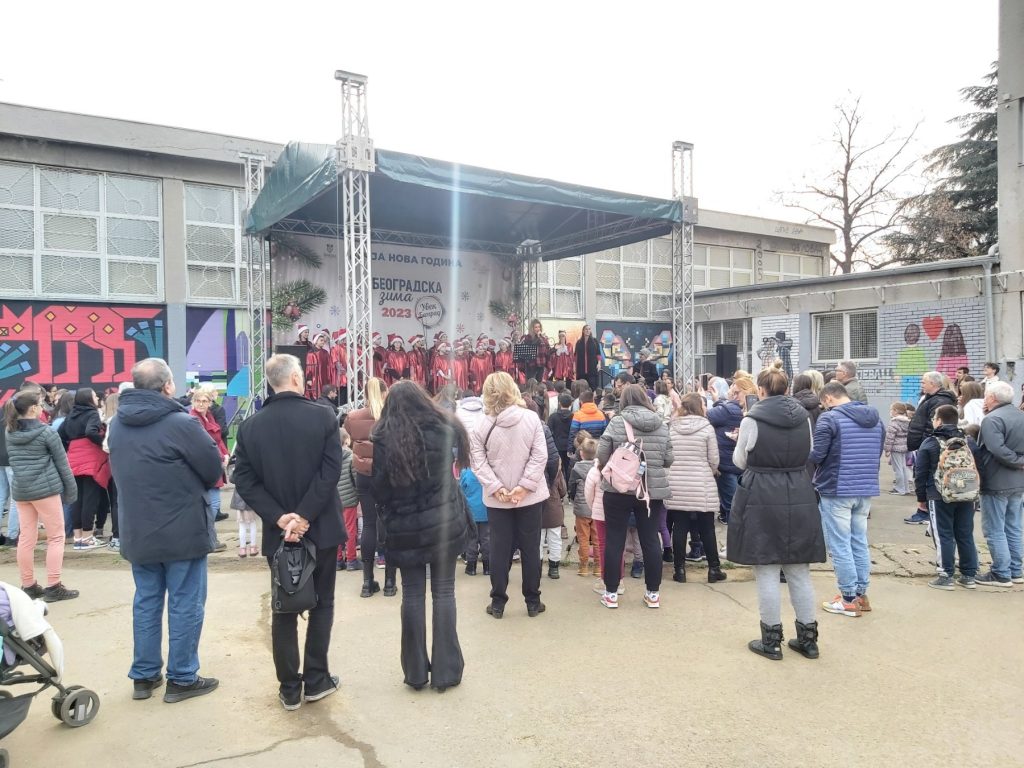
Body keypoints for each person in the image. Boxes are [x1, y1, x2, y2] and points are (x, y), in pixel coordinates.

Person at [233, 354, 345, 710]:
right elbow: (331, 472)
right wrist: (304, 516)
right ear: (296, 378)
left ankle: (289, 687)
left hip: (279, 534)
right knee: (322, 603)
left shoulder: (250, 426)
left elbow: (243, 479)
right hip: (321, 528)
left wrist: (281, 518)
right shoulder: (323, 416)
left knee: (283, 607)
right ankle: (316, 680)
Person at [109, 358, 225, 703]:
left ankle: (144, 676)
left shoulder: (118, 424)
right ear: (168, 386)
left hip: (138, 529)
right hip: (182, 530)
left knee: (146, 601)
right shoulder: (181, 423)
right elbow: (212, 470)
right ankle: (182, 677)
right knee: (185, 602)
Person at [370, 381, 469, 692]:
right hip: (443, 523)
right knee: (444, 593)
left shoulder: (383, 439)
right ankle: (446, 670)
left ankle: (415, 672)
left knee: (412, 595)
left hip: (405, 528)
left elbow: (378, 490)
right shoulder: (444, 429)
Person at [729, 362, 824, 661]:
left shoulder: (752, 419)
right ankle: (808, 640)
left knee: (767, 567)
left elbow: (740, 461)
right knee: (799, 570)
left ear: (761, 390)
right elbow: (808, 451)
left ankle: (771, 640)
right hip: (799, 489)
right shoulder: (804, 417)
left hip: (762, 493)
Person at [469, 372, 549, 619]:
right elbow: (540, 455)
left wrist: (496, 487)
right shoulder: (531, 418)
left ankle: (498, 602)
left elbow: (477, 462)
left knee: (499, 548)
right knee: (530, 548)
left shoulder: (480, 425)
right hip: (530, 497)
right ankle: (533, 601)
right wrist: (524, 486)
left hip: (498, 499)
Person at [810, 382, 885, 617]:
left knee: (840, 544)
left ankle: (848, 599)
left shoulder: (830, 419)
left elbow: (817, 455)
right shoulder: (876, 420)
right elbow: (878, 452)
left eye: (823, 403)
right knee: (859, 541)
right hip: (865, 487)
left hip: (837, 487)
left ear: (828, 399)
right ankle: (861, 595)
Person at [596, 383, 673, 610]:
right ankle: (653, 594)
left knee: (614, 539)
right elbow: (668, 459)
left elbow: (602, 452)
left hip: (618, 488)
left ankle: (611, 594)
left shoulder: (617, 422)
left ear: (624, 400)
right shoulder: (661, 424)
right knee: (650, 539)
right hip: (650, 490)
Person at [5, 389, 78, 602]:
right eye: (40, 404)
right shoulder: (47, 433)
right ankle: (54, 586)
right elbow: (63, 464)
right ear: (34, 409)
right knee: (56, 537)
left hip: (21, 491)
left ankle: (28, 585)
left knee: (26, 538)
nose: (43, 407)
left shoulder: (10, 431)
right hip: (45, 490)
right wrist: (71, 491)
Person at [912, 404, 980, 591]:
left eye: (934, 418)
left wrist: (921, 498)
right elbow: (978, 466)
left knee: (943, 534)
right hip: (967, 494)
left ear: (939, 421)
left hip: (939, 494)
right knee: (965, 533)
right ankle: (969, 575)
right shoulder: (968, 441)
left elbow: (920, 472)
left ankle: (945, 574)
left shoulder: (931, 442)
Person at [666, 393, 725, 584]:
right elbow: (714, 459)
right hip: (701, 483)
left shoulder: (672, 428)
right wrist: (710, 470)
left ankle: (679, 570)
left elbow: (668, 456)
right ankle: (714, 569)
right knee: (707, 527)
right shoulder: (706, 428)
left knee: (679, 527)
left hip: (677, 482)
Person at [346, 378, 396, 598]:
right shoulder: (391, 416)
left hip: (364, 475)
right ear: (385, 392)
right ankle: (390, 582)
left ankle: (367, 582)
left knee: (368, 524)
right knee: (388, 524)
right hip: (388, 476)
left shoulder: (353, 417)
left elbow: (350, 440)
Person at [975, 381, 1024, 587]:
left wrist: (1018, 461)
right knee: (1014, 527)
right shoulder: (1020, 415)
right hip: (1018, 481)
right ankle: (1016, 571)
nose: (984, 399)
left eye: (986, 395)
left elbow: (997, 449)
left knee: (995, 528)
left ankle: (1001, 573)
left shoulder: (992, 419)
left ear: (992, 398)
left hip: (996, 481)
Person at [58, 388, 109, 551]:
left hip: (74, 459)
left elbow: (60, 435)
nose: (97, 398)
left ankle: (78, 537)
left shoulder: (70, 415)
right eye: (94, 396)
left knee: (77, 499)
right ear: (88, 399)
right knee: (90, 499)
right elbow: (90, 431)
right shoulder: (92, 414)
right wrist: (102, 442)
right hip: (90, 459)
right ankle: (87, 537)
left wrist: (70, 448)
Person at [905, 372, 957, 523]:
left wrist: (925, 442)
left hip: (930, 446)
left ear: (933, 384)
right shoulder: (931, 398)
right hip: (925, 444)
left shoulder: (940, 400)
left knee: (928, 477)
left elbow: (933, 425)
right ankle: (924, 509)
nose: (921, 385)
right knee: (923, 476)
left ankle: (926, 512)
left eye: (923, 382)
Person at [190, 385, 230, 534]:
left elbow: (218, 438)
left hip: (214, 464)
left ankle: (209, 536)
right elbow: (205, 443)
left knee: (213, 504)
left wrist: (225, 454)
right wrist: (221, 456)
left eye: (204, 401)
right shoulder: (194, 419)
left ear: (209, 403)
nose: (201, 404)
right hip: (205, 466)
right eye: (198, 400)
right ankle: (207, 536)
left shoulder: (209, 416)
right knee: (211, 504)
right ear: (193, 402)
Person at [707, 379, 744, 525]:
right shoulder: (746, 410)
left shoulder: (727, 410)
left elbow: (706, 415)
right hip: (741, 463)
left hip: (727, 464)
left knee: (732, 507)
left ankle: (733, 536)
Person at [568, 437, 599, 577]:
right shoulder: (599, 468)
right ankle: (598, 567)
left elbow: (572, 487)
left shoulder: (576, 468)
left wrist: (573, 499)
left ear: (581, 453)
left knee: (583, 538)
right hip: (596, 508)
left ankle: (584, 567)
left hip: (581, 507)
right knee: (597, 538)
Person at [335, 428, 360, 570]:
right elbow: (356, 479)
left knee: (337, 529)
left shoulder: (331, 457)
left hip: (335, 500)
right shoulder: (351, 457)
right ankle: (351, 560)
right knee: (350, 529)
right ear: (347, 440)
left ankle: (338, 560)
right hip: (349, 499)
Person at [884, 403, 913, 495]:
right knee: (904, 468)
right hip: (904, 447)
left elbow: (889, 438)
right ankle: (906, 488)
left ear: (895, 411)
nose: (890, 412)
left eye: (891, 410)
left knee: (898, 469)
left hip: (896, 448)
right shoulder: (908, 422)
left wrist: (887, 450)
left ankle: (899, 488)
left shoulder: (894, 423)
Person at [548, 392, 573, 487]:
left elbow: (549, 431)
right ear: (570, 404)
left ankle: (560, 488)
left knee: (558, 468)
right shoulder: (574, 416)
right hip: (570, 446)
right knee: (569, 467)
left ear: (559, 403)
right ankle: (569, 487)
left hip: (556, 445)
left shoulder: (553, 417)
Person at [575, 325, 602, 390]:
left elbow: (598, 354)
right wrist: (574, 367)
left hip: (592, 368)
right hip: (581, 369)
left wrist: (599, 364)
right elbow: (575, 355)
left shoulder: (595, 341)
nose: (588, 330)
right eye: (586, 329)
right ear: (583, 331)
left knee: (592, 386)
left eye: (589, 329)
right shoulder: (579, 342)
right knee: (581, 387)